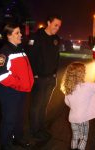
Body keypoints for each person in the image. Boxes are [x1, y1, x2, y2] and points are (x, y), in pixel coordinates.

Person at [0, 22, 34, 150]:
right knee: (9, 118)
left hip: (21, 91)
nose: (21, 35)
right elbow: (2, 76)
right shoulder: (3, 53)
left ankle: (17, 138)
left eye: (20, 32)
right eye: (17, 33)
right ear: (9, 36)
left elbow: (25, 70)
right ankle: (5, 144)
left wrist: (29, 81)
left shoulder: (20, 49)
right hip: (9, 92)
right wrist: (20, 84)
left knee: (19, 117)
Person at [60, 62, 95, 150]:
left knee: (75, 137)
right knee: (84, 138)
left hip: (73, 119)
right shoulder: (87, 86)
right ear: (81, 74)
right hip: (83, 119)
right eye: (84, 71)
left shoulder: (68, 88)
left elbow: (67, 102)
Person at [26, 14, 62, 142]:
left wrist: (54, 73)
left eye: (59, 26)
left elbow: (57, 57)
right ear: (48, 22)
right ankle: (35, 131)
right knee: (36, 106)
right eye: (55, 25)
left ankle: (41, 128)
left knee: (44, 106)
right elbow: (30, 57)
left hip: (51, 78)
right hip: (39, 78)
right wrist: (35, 74)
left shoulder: (56, 39)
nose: (57, 28)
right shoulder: (36, 37)